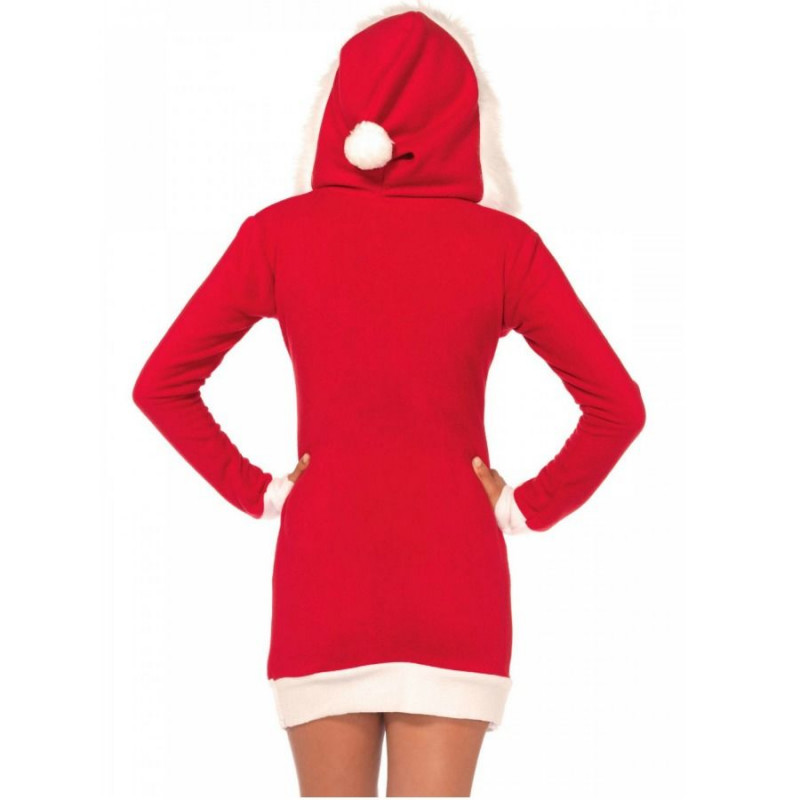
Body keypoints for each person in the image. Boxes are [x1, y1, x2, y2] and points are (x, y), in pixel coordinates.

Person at [132, 4, 646, 796]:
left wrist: (260, 490)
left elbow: (162, 385)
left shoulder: (280, 235)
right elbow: (617, 407)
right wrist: (525, 505)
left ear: (338, 109)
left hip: (323, 575)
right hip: (456, 581)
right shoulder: (504, 247)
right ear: (464, 115)